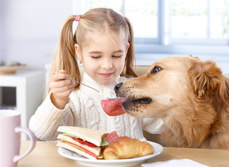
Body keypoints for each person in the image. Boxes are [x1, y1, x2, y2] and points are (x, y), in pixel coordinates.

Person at [29, 8, 163, 140]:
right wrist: (58, 101)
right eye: (96, 56)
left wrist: (170, 100)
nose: (107, 65)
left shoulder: (133, 89)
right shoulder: (72, 95)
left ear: (126, 50)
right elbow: (41, 133)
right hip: (84, 162)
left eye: (116, 55)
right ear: (79, 52)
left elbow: (161, 126)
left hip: (133, 161)